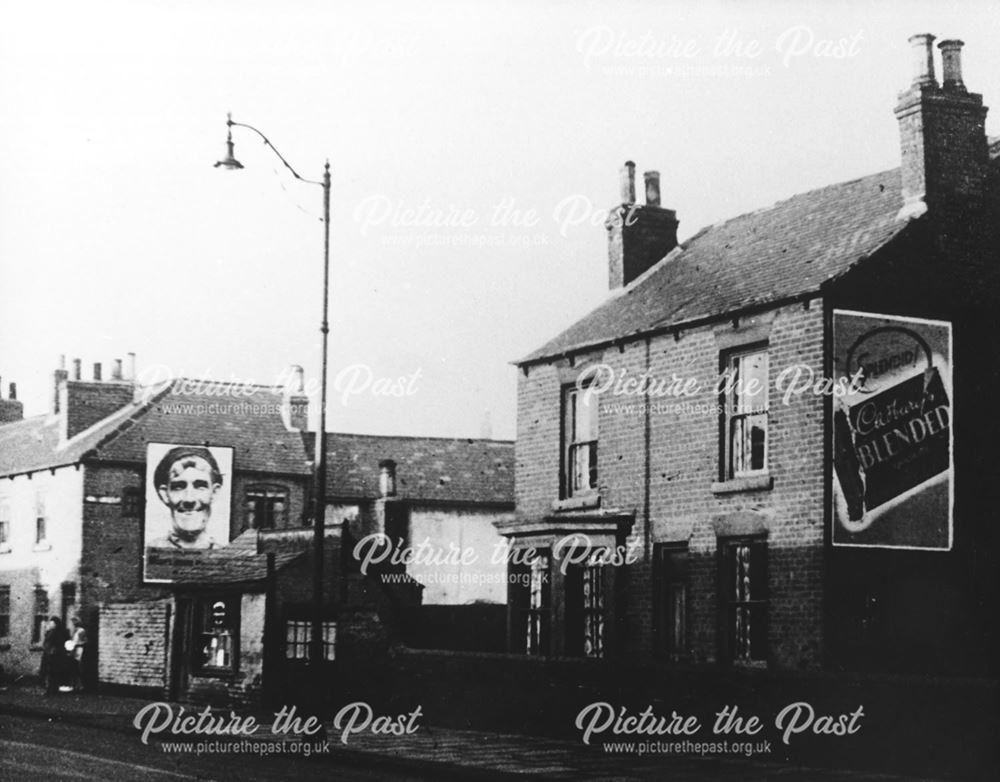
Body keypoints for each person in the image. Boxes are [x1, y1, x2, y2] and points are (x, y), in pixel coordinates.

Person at [148, 446, 223, 550]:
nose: (189, 499)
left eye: (200, 487)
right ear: (165, 494)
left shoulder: (224, 553)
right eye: (178, 487)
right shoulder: (151, 549)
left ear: (214, 492)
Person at [40, 616, 69, 696]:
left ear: (56, 624)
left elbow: (58, 644)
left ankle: (52, 690)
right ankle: (50, 689)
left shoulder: (58, 633)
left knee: (53, 673)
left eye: (52, 623)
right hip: (49, 654)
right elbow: (46, 643)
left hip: (54, 656)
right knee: (49, 673)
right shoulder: (50, 632)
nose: (51, 624)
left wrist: (53, 651)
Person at [67, 616, 89, 692]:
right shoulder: (75, 631)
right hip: (74, 650)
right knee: (73, 668)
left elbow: (85, 641)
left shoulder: (81, 631)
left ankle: (80, 686)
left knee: (77, 668)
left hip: (79, 650)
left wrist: (77, 644)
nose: (73, 624)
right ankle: (75, 685)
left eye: (74, 622)